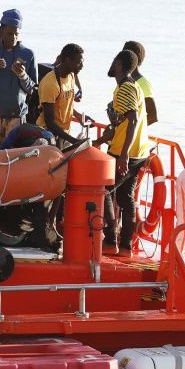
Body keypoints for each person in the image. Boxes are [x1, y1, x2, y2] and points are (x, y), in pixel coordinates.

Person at [94, 49, 150, 255]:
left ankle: (111, 240)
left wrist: (124, 154)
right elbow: (122, 124)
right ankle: (126, 244)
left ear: (118, 64)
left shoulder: (125, 87)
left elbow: (133, 120)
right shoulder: (134, 86)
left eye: (113, 61)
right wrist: (98, 141)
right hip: (140, 151)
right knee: (126, 197)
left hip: (125, 152)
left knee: (105, 190)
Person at [0, 10, 37, 146]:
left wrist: (22, 75)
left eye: (16, 34)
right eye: (10, 34)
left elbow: (33, 89)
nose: (13, 37)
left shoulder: (28, 54)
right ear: (2, 30)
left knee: (14, 157)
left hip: (17, 116)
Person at [36, 43, 86, 148]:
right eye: (79, 62)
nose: (82, 66)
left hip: (64, 133)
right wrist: (73, 140)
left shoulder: (71, 76)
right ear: (67, 60)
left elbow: (65, 102)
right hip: (49, 135)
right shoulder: (50, 83)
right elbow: (49, 122)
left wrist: (78, 115)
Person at [123, 40, 158, 125]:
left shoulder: (143, 84)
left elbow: (153, 116)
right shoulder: (126, 80)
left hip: (132, 136)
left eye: (124, 54)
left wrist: (132, 128)